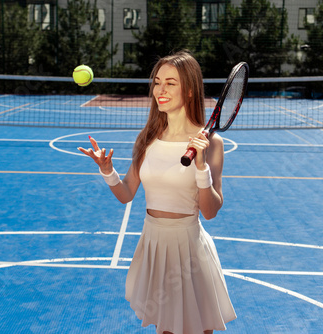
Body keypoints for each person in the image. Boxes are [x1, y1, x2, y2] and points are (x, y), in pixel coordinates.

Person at [78, 51, 236, 334]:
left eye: (170, 83)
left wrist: (201, 167)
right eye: (157, 82)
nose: (160, 90)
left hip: (188, 250)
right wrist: (107, 170)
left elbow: (210, 212)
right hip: (153, 244)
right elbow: (127, 194)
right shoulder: (146, 138)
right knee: (165, 329)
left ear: (189, 90)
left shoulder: (212, 143)